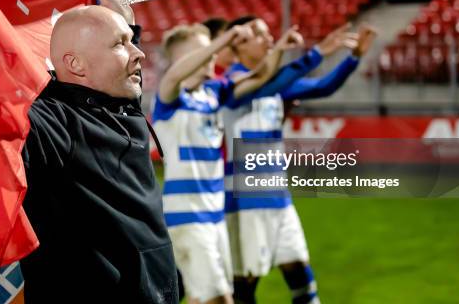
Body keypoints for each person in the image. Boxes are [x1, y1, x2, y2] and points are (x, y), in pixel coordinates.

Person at [19, 0, 179, 303]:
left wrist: (122, 19)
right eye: (121, 44)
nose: (140, 52)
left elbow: (123, 69)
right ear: (76, 64)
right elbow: (2, 128)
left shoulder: (124, 105)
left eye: (132, 41)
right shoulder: (49, 121)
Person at [221, 16, 376, 304]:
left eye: (269, 33)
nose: (268, 39)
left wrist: (352, 59)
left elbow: (322, 87)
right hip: (246, 202)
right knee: (244, 285)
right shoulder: (230, 83)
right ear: (237, 44)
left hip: (280, 198)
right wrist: (318, 53)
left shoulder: (276, 85)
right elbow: (264, 86)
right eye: (258, 35)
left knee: (300, 272)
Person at [152, 23, 304, 304]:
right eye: (204, 50)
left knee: (202, 297)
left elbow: (261, 77)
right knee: (220, 299)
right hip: (188, 218)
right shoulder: (170, 97)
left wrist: (280, 49)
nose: (214, 55)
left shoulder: (212, 95)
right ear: (183, 59)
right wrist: (224, 39)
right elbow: (174, 75)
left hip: (215, 217)